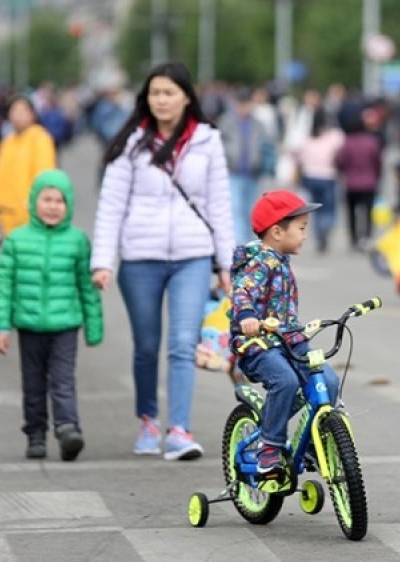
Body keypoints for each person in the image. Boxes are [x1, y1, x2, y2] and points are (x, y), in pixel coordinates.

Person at [91, 62, 234, 461]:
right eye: (155, 93)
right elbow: (111, 206)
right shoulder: (132, 143)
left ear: (186, 96)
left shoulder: (207, 141)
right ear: (146, 99)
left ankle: (179, 431)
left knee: (182, 343)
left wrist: (226, 264)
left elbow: (220, 206)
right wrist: (103, 261)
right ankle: (148, 421)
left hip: (192, 255)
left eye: (169, 92)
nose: (162, 100)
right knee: (146, 346)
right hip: (140, 258)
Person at [229, 190, 339, 476]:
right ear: (277, 231)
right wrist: (247, 316)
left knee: (327, 379)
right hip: (257, 345)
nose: (305, 235)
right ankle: (269, 446)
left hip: (288, 341)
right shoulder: (260, 262)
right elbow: (242, 291)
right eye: (301, 229)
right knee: (285, 381)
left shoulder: (280, 261)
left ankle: (316, 444)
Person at [0, 169, 103, 460]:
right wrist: (1, 327)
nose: (53, 206)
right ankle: (35, 434)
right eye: (46, 199)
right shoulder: (16, 241)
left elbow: (87, 287)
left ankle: (68, 428)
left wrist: (94, 326)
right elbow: (3, 287)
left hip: (65, 326)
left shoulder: (77, 241)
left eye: (60, 200)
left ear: (68, 205)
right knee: (32, 383)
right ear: (33, 202)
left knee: (63, 380)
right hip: (29, 325)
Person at [219, 88, 273, 244]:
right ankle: (239, 240)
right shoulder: (227, 122)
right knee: (235, 207)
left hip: (253, 173)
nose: (244, 107)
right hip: (233, 172)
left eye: (247, 103)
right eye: (241, 104)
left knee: (250, 208)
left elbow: (266, 145)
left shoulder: (258, 124)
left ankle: (249, 239)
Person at [0, 96, 56, 237]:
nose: (18, 116)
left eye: (22, 111)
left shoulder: (40, 138)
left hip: (28, 214)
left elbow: (45, 177)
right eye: (14, 111)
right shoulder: (8, 141)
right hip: (5, 214)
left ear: (32, 114)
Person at [295, 109, 345, 253]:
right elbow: (341, 144)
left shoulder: (308, 139)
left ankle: (319, 234)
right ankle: (325, 229)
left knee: (316, 209)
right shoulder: (333, 137)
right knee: (329, 208)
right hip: (328, 176)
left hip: (310, 176)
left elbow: (299, 157)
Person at [335, 111, 383, 252]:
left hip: (351, 183)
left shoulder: (347, 143)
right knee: (368, 211)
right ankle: (366, 236)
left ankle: (354, 238)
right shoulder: (372, 142)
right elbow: (378, 162)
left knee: (351, 212)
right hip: (369, 182)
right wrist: (377, 175)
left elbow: (340, 161)